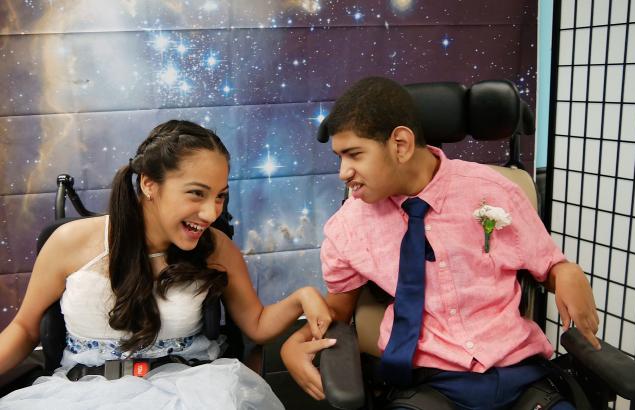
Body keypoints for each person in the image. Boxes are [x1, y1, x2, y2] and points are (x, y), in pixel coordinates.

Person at [280, 77, 600, 409]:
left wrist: (566, 272)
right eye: (339, 157)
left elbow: (547, 265)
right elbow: (337, 313)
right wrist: (295, 343)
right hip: (428, 386)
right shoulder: (349, 227)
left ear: (400, 144)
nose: (343, 172)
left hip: (521, 377)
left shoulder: (494, 190)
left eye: (354, 155)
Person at [0, 120, 332, 409]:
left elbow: (257, 324)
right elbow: (25, 329)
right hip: (80, 394)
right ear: (149, 184)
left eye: (220, 195)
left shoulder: (216, 248)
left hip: (190, 391)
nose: (212, 212)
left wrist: (301, 296)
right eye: (196, 194)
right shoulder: (69, 242)